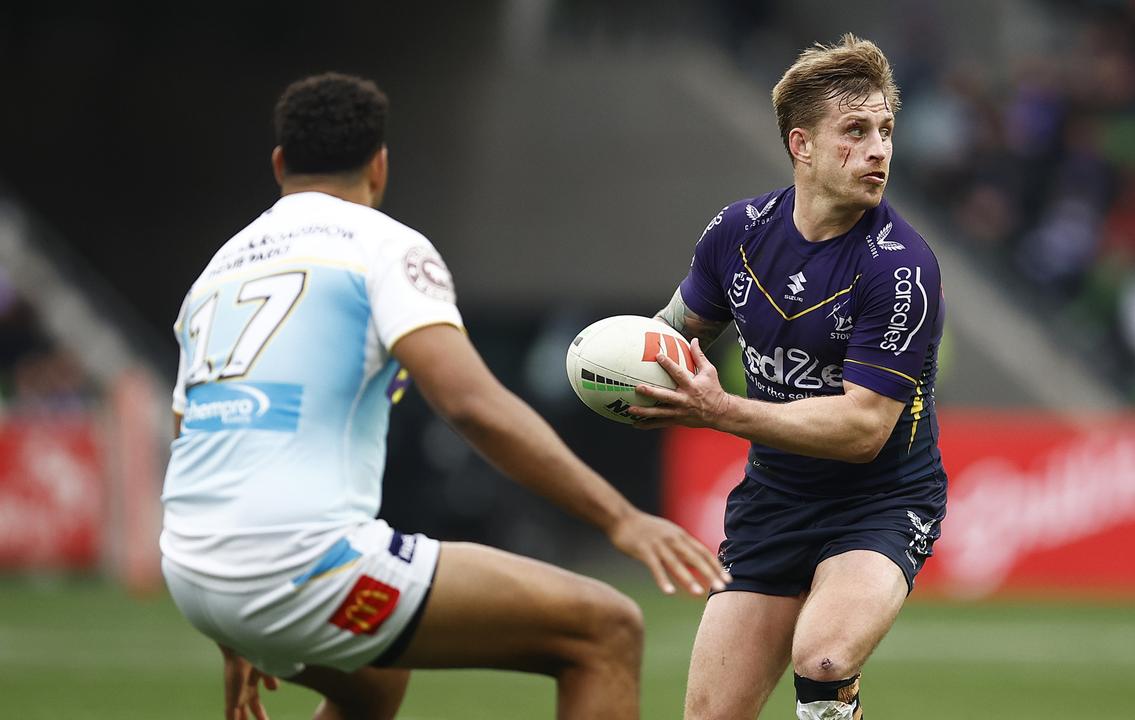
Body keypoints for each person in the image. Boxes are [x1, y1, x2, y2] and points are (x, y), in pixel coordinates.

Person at [160, 72, 729, 720]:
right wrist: (620, 519)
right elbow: (470, 404)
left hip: (192, 564)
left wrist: (232, 632)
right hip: (302, 565)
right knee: (605, 629)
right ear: (380, 166)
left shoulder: (218, 271)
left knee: (375, 681)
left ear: (279, 164)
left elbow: (191, 433)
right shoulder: (382, 246)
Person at [630, 35, 947, 720]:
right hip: (774, 501)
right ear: (801, 145)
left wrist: (720, 411)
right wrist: (620, 366)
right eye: (856, 131)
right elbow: (674, 333)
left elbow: (863, 429)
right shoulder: (737, 233)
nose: (879, 150)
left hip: (881, 501)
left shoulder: (900, 268)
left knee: (825, 659)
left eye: (887, 131)